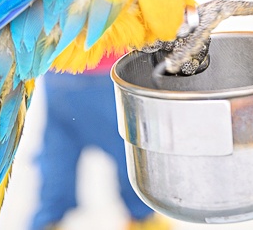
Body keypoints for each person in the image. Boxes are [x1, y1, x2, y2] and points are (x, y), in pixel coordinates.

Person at [31, 52, 171, 230]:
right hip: (106, 71)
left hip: (58, 71)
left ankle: (47, 221)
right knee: (133, 160)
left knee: (57, 166)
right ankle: (145, 219)